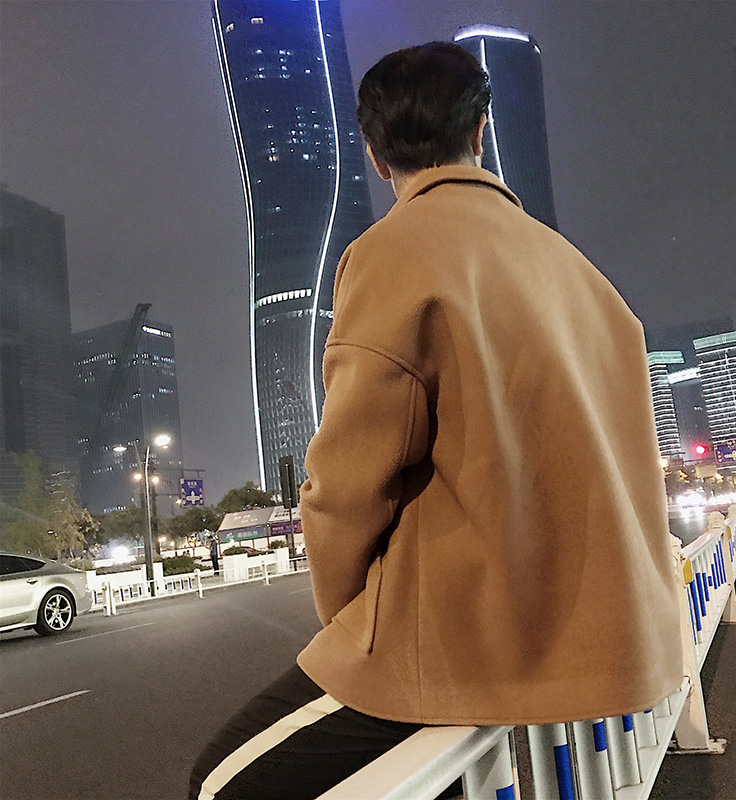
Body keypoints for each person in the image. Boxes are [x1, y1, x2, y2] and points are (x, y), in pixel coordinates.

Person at [190, 42, 682, 800]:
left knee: (218, 781)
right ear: (480, 131)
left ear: (373, 154)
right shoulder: (581, 274)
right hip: (615, 644)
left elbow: (347, 487)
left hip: (461, 644)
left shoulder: (391, 253)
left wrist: (354, 625)